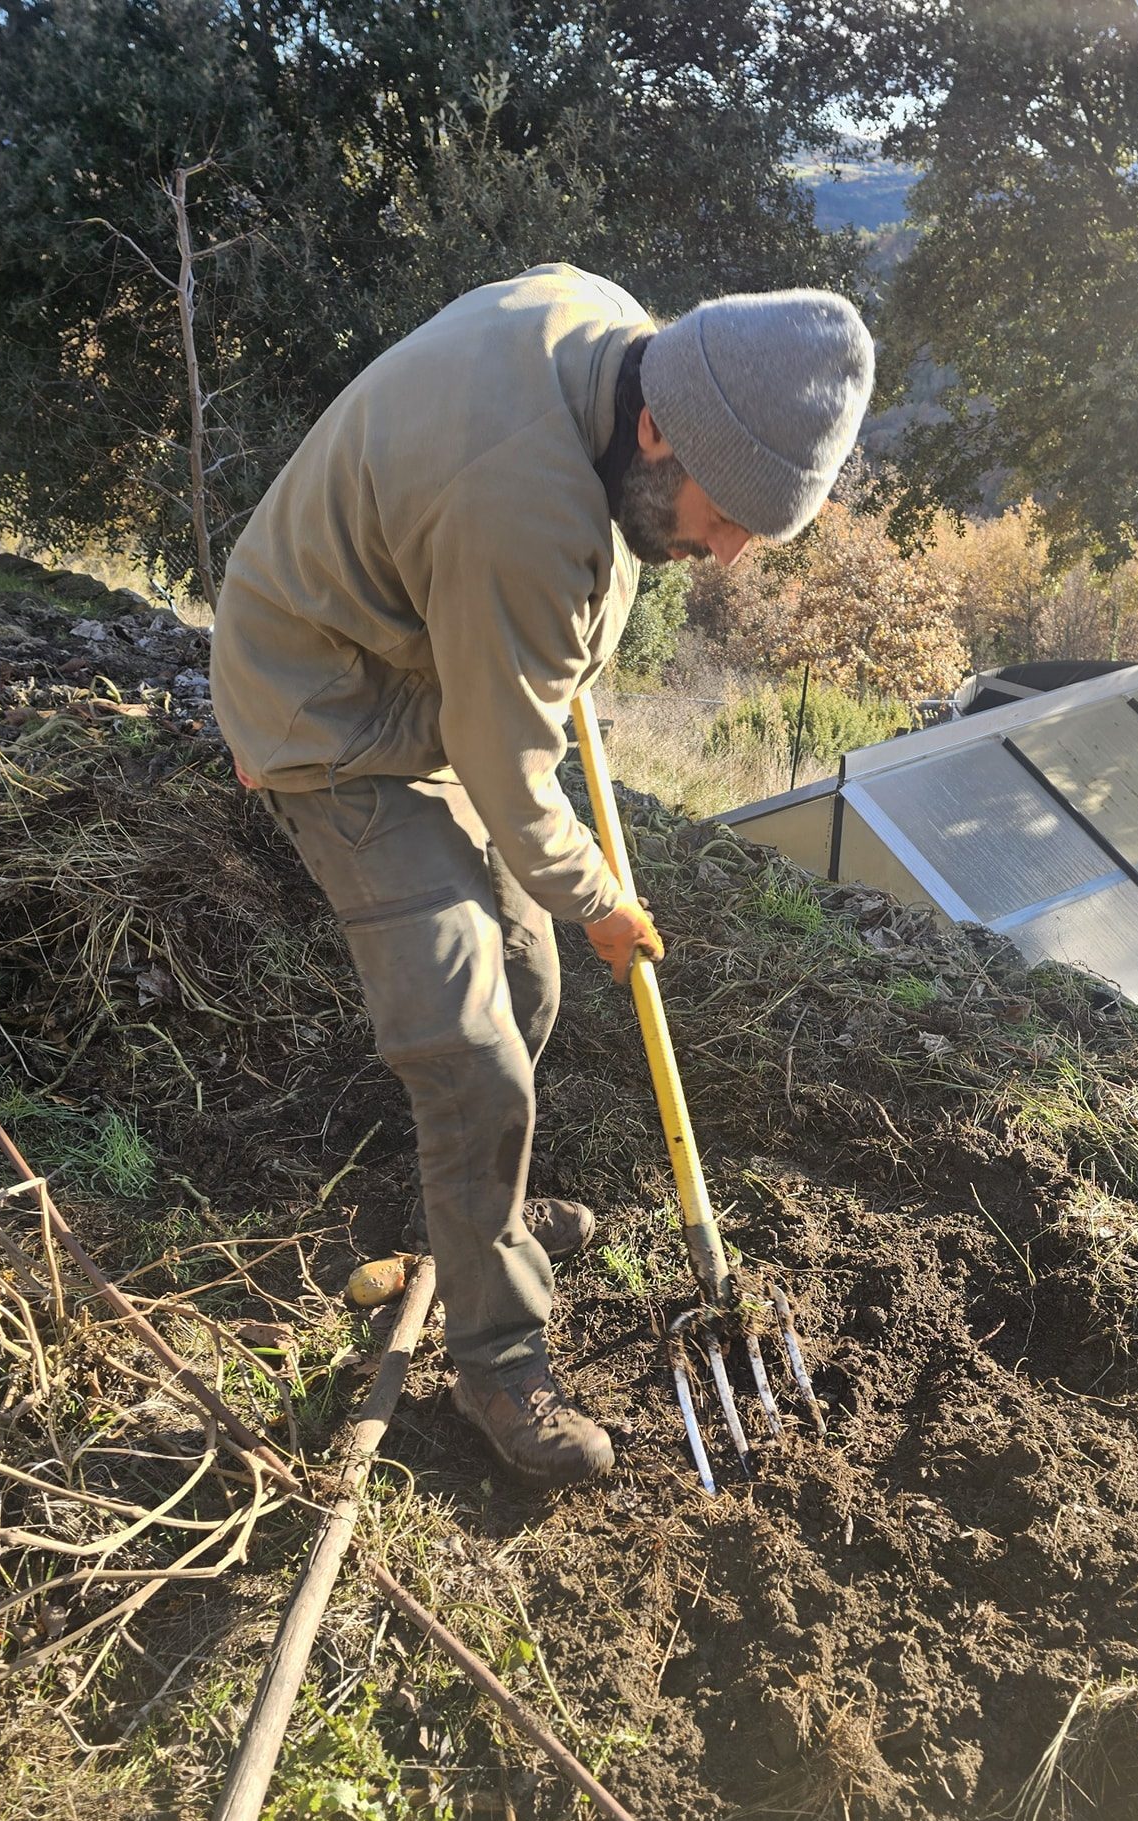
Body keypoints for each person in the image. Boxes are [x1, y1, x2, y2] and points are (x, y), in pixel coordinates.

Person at [210, 262, 873, 1489]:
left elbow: (515, 677)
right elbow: (508, 767)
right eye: (725, 516)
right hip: (328, 706)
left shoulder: (613, 335)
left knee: (532, 984)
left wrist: (565, 897)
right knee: (471, 1047)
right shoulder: (525, 510)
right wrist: (603, 900)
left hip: (422, 664)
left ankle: (483, 1226)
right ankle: (497, 1365)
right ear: (661, 426)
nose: (725, 556)